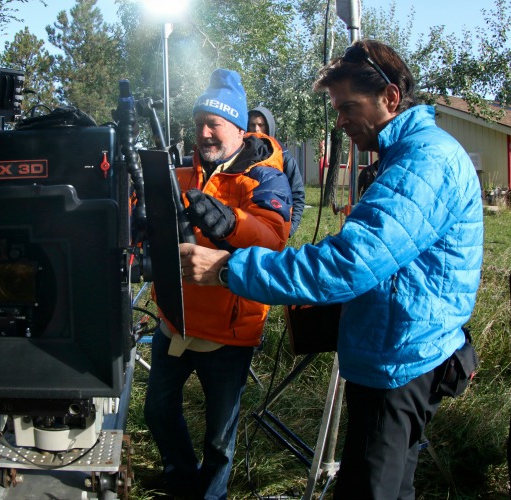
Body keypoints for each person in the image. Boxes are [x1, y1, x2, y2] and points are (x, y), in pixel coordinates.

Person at [179, 40, 483, 499]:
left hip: (399, 365)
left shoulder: (425, 162)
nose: (339, 120)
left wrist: (228, 269)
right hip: (398, 350)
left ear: (390, 99)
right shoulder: (406, 156)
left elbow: (350, 262)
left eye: (348, 107)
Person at [144, 68, 293, 500]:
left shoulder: (265, 177)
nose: (205, 133)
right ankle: (181, 480)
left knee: (219, 438)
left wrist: (232, 223)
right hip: (175, 320)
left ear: (239, 129)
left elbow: (274, 239)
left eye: (215, 124)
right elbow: (144, 214)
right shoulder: (182, 172)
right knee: (157, 412)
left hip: (230, 333)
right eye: (199, 123)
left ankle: (211, 495)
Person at [247, 106, 306, 236]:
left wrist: (290, 229)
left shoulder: (283, 154)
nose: (256, 129)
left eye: (261, 125)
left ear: (269, 127)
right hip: (243, 225)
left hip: (273, 228)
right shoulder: (239, 153)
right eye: (252, 124)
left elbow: (297, 194)